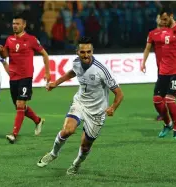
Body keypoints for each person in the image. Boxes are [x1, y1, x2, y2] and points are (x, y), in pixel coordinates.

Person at [36, 36, 124, 175]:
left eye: (89, 52)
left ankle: (76, 164)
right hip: (80, 103)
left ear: (92, 51)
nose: (86, 55)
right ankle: (53, 154)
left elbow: (119, 93)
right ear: (77, 52)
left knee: (85, 145)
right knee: (67, 130)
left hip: (97, 111)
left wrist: (113, 107)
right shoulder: (76, 62)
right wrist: (56, 83)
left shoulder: (101, 70)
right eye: (83, 52)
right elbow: (72, 72)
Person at [142, 8, 176, 138]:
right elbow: (150, 46)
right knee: (156, 100)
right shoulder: (159, 32)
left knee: (170, 99)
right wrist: (143, 62)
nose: (163, 22)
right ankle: (168, 124)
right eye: (162, 19)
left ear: (171, 16)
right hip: (163, 71)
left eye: (166, 19)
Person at [0, 14, 51, 144]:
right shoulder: (9, 39)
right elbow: (5, 55)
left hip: (26, 76)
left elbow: (44, 54)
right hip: (13, 77)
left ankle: (14, 134)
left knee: (20, 104)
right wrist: (1, 51)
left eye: (18, 24)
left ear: (24, 25)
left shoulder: (31, 39)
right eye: (13, 23)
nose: (15, 26)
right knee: (19, 107)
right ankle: (38, 121)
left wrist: (47, 72)